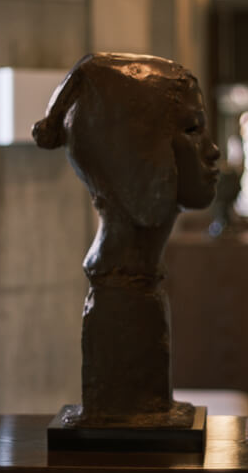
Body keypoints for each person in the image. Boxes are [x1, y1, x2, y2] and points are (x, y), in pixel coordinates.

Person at [32, 52, 220, 428]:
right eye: (192, 130)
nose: (212, 151)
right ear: (136, 156)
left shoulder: (141, 280)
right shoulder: (122, 296)